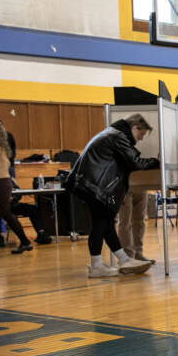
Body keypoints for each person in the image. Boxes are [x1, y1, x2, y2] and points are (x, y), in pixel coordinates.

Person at [65, 114, 159, 277]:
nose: (141, 139)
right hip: (94, 186)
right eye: (141, 134)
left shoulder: (111, 133)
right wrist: (157, 162)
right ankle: (96, 266)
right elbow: (135, 163)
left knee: (106, 222)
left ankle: (123, 260)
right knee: (100, 223)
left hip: (89, 184)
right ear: (134, 128)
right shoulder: (118, 136)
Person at [0, 120, 36, 254]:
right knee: (7, 214)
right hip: (4, 182)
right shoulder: (2, 146)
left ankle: (25, 242)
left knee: (7, 213)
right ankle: (25, 242)